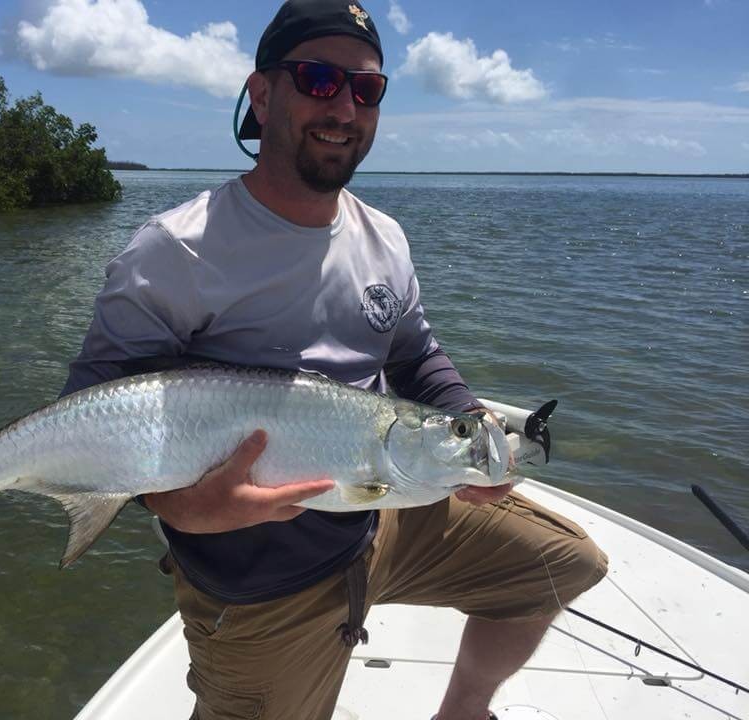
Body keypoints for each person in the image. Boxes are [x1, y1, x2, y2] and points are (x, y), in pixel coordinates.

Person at [61, 1, 608, 718]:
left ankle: (463, 712)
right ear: (262, 95)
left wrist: (469, 423)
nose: (345, 108)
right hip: (262, 585)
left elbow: (413, 351)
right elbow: (92, 410)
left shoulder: (384, 238)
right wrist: (174, 505)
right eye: (319, 80)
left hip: (385, 513)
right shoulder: (176, 249)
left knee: (561, 563)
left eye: (366, 89)